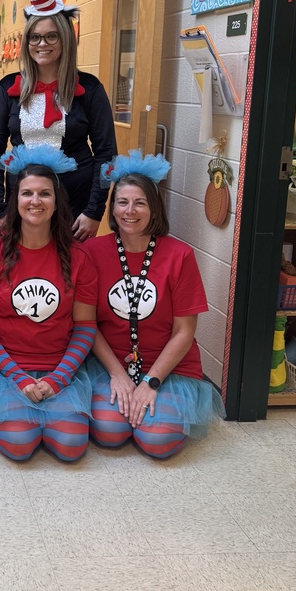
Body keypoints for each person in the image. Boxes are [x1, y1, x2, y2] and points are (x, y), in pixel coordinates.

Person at [0, 151, 98, 461]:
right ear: (16, 201)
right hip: (4, 369)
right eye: (27, 193)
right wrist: (18, 377)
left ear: (57, 200)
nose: (36, 201)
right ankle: (13, 416)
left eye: (45, 193)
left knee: (71, 447)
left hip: (60, 367)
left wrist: (57, 378)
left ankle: (46, 413)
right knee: (19, 444)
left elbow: (86, 327)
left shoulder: (78, 257)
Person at [86, 151, 225, 458]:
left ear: (154, 208)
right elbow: (87, 323)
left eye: (140, 203)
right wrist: (118, 374)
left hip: (168, 369)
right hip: (111, 364)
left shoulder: (180, 255)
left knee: (157, 442)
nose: (130, 211)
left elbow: (184, 331)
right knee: (109, 432)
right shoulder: (92, 252)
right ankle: (128, 404)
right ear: (113, 208)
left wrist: (151, 381)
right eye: (122, 202)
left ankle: (153, 412)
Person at [0, 0, 116, 242]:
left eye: (51, 36)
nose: (42, 44)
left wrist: (94, 211)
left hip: (76, 208)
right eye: (35, 37)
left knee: (72, 275)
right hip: (23, 205)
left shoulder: (89, 89)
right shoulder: (9, 89)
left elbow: (106, 153)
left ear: (65, 38)